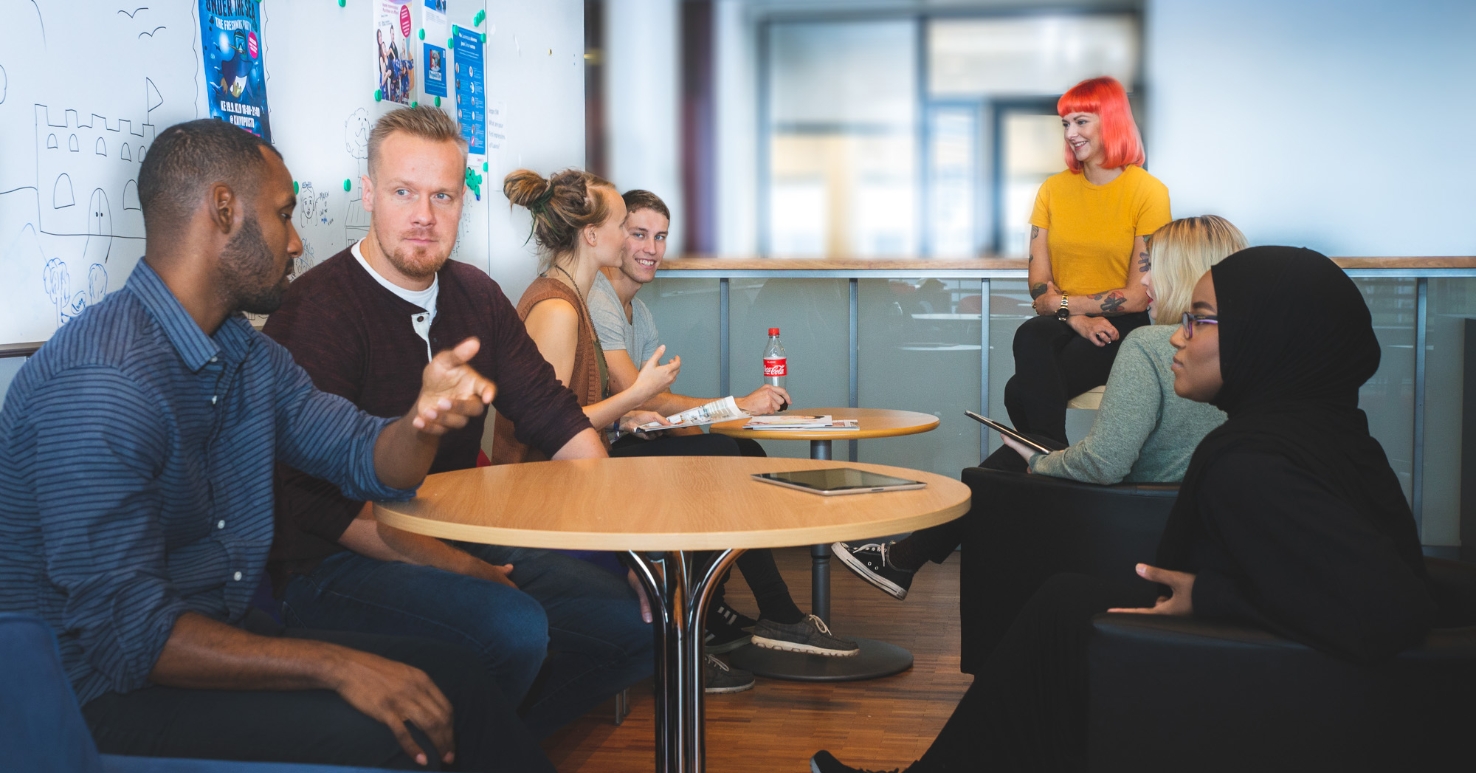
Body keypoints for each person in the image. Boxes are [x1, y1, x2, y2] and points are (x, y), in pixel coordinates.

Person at [0, 118, 553, 771]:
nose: (296, 241)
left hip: (204, 642)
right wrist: (337, 665)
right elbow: (133, 638)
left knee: (457, 682)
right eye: (284, 214)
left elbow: (366, 457)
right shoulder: (101, 384)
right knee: (403, 729)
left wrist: (421, 422)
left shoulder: (246, 354)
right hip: (95, 700)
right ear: (224, 211)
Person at [811, 246, 1437, 773]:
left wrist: (1213, 598)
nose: (1179, 337)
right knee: (1063, 605)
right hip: (1288, 671)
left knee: (1058, 615)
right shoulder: (1331, 434)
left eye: (1199, 321)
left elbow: (1388, 608)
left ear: (1265, 337)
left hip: (1262, 697)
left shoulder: (1254, 460)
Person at [261, 107, 653, 739]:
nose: (424, 215)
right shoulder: (317, 310)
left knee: (643, 622)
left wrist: (631, 549)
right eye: (403, 192)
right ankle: (477, 744)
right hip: (332, 563)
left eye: (442, 195)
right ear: (368, 194)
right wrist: (461, 568)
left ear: (461, 202)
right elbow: (324, 510)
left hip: (456, 533)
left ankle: (488, 744)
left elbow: (559, 422)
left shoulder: (475, 295)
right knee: (514, 625)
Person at [834, 215, 1243, 600]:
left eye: (1153, 267)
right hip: (1191, 526)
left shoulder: (1151, 345)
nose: (1144, 281)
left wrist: (1044, 461)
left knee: (997, 474)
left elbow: (1104, 464)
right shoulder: (1247, 348)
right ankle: (903, 559)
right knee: (1022, 424)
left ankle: (905, 558)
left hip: (1128, 522)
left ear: (1184, 273)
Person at [587, 188, 858, 659]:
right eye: (639, 234)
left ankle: (724, 606)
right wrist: (735, 405)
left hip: (630, 436)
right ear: (611, 236)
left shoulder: (639, 311)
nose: (652, 248)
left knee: (744, 454)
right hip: (601, 448)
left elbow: (656, 405)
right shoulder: (599, 300)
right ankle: (758, 611)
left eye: (661, 237)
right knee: (728, 457)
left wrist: (711, 422)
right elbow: (636, 392)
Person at [1006, 75, 1172, 445]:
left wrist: (1062, 304)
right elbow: (1039, 282)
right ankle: (1055, 460)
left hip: (1121, 325)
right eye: (1065, 123)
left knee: (1019, 392)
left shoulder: (1148, 192)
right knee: (1030, 332)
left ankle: (1047, 460)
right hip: (1064, 318)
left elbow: (1138, 296)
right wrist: (1075, 317)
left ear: (1111, 121)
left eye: (1081, 121)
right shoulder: (1052, 190)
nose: (1070, 133)